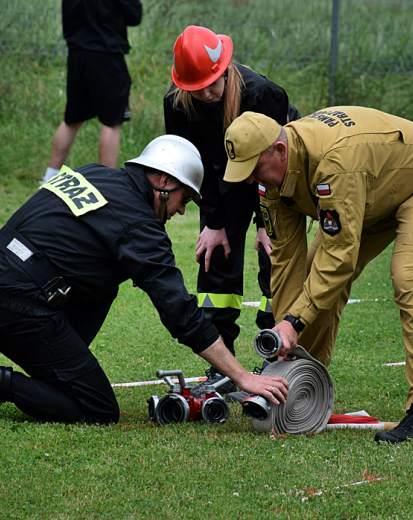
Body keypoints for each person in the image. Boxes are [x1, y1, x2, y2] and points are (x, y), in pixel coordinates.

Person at [0, 135, 289, 424]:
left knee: (105, 286)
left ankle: (59, 375)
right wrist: (242, 376)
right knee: (98, 409)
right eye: (185, 198)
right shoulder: (139, 225)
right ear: (164, 182)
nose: (182, 210)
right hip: (16, 304)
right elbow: (180, 312)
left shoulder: (97, 173)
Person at [222, 108, 413, 443]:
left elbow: (339, 257)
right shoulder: (273, 178)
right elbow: (285, 260)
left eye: (253, 169)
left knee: (408, 277)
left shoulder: (334, 162)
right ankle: (298, 384)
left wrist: (295, 322)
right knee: (313, 275)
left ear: (279, 151)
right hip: (372, 192)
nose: (250, 179)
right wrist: (285, 344)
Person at [163, 26, 300, 396]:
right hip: (220, 181)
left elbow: (275, 163)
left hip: (270, 180)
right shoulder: (176, 104)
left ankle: (277, 357)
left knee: (276, 258)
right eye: (196, 88)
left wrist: (263, 221)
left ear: (225, 69)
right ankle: (220, 367)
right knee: (216, 259)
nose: (206, 94)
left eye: (212, 84)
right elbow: (191, 165)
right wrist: (214, 222)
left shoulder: (264, 95)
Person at [42, 0, 143, 184]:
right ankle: (106, 184)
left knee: (72, 119)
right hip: (107, 54)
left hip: (77, 54)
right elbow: (134, 16)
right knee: (112, 122)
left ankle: (49, 177)